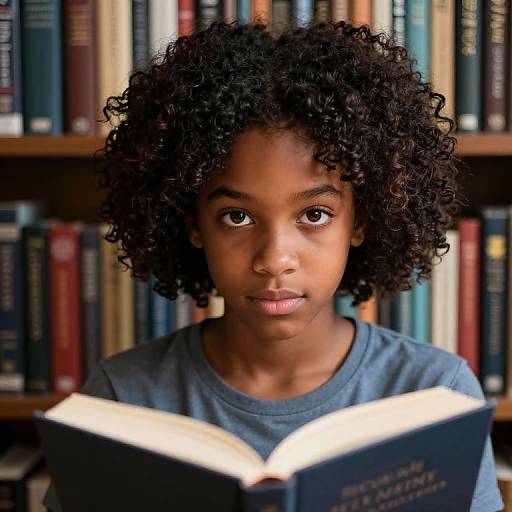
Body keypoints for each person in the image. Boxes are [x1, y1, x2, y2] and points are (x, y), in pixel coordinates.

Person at [44, 20, 503, 511]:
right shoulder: (123, 396)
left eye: (314, 214)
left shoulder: (436, 394)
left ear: (361, 220)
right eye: (236, 217)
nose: (274, 259)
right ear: (193, 223)